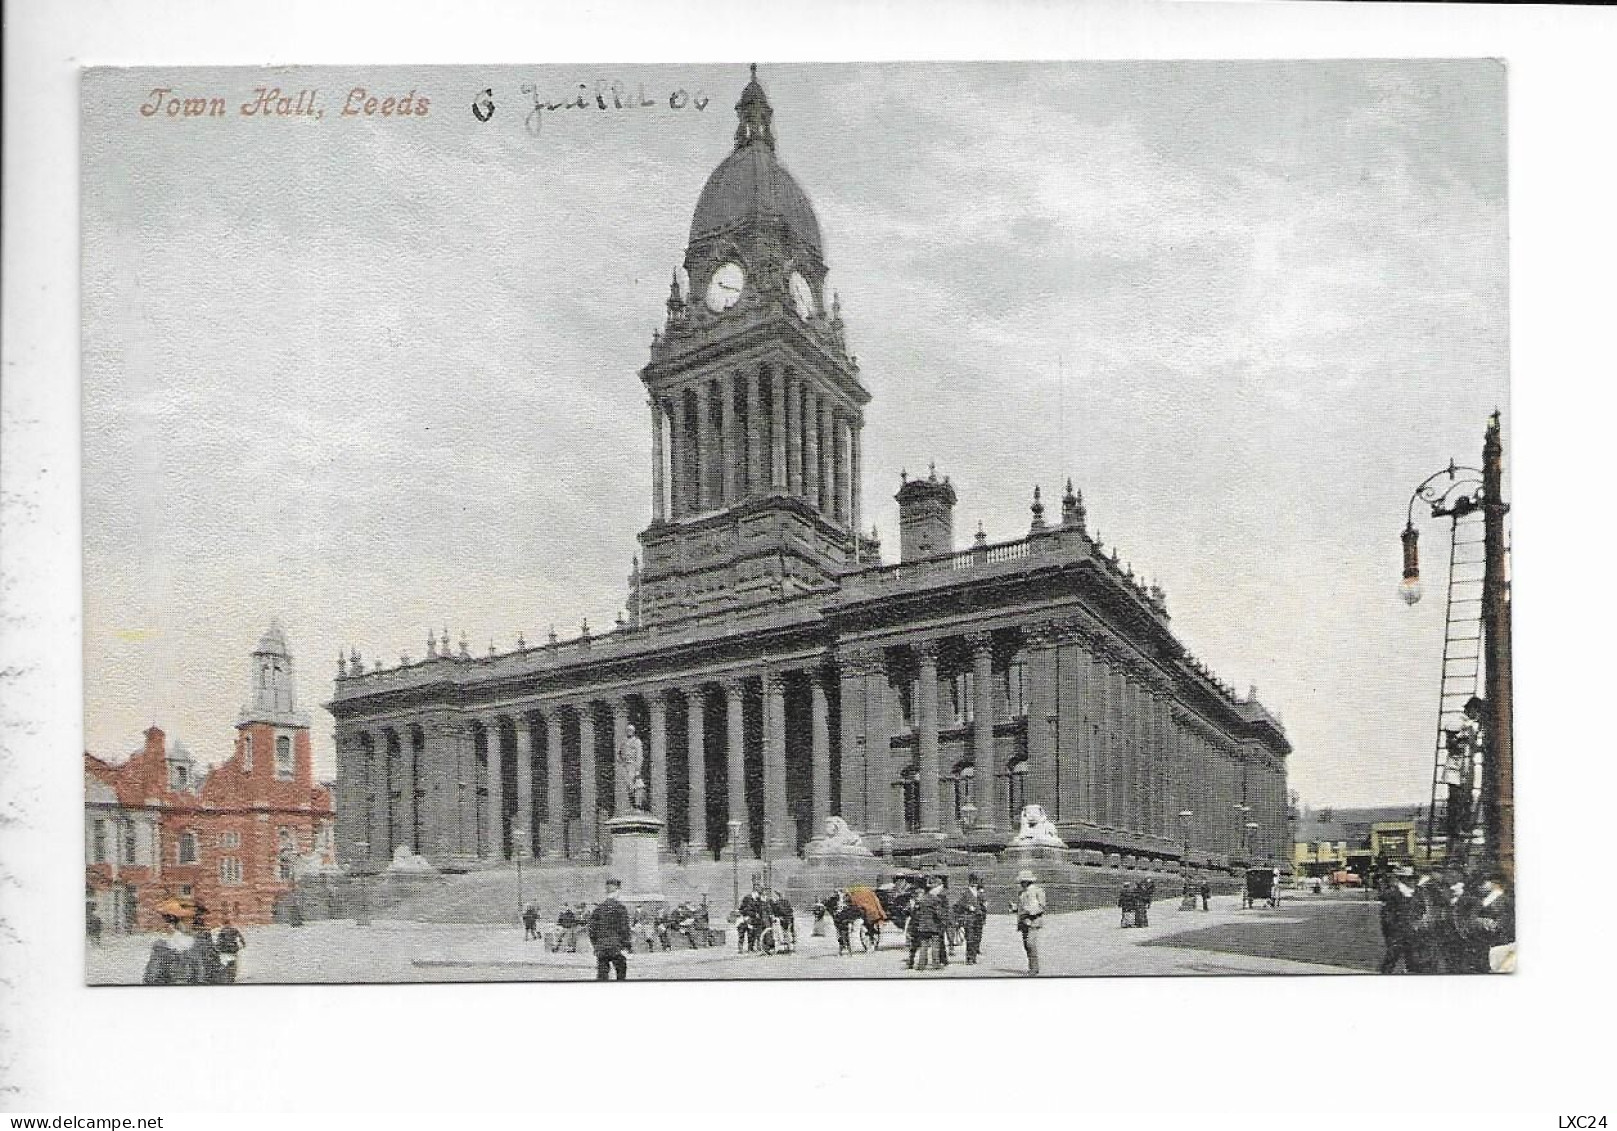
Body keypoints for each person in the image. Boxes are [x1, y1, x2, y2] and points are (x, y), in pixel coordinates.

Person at [587, 877, 631, 981]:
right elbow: (624, 930)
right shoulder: (621, 908)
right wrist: (626, 947)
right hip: (616, 947)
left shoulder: (598, 909)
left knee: (602, 975)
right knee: (621, 971)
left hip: (601, 948)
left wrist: (596, 945)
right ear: (617, 891)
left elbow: (591, 930)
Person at [1378, 874, 1417, 974]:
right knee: (1392, 956)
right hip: (1397, 931)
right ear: (1403, 879)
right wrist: (1392, 932)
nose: (1413, 881)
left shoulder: (1414, 892)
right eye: (1410, 878)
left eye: (1414, 878)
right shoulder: (1394, 892)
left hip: (1411, 930)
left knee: (1412, 957)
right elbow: (1386, 915)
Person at [1014, 869, 1046, 976]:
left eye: (1023, 881)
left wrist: (1032, 911)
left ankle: (1034, 968)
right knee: (1026, 945)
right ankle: (1031, 966)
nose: (1021, 883)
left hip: (1033, 921)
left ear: (1028, 881)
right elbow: (1020, 907)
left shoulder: (1038, 891)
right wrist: (1015, 908)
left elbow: (1042, 906)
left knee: (1030, 943)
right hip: (1023, 921)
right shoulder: (1021, 893)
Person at [142, 915, 188, 985]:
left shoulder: (180, 939)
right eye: (166, 923)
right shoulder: (159, 941)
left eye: (170, 924)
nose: (166, 926)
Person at [907, 881, 941, 971]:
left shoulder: (920, 900)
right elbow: (938, 913)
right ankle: (936, 964)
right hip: (933, 926)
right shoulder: (935, 899)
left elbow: (915, 913)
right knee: (935, 947)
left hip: (922, 927)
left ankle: (921, 965)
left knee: (923, 946)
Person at [956, 874, 989, 965]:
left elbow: (983, 902)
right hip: (969, 917)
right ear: (970, 882)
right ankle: (969, 958)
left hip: (978, 917)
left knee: (977, 938)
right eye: (973, 882)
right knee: (970, 938)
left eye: (976, 882)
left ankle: (974, 957)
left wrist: (984, 902)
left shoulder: (979, 892)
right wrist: (968, 906)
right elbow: (960, 904)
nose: (975, 884)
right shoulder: (965, 892)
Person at [189, 912, 225, 985]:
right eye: (199, 918)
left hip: (204, 951)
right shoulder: (197, 931)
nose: (201, 919)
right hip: (199, 951)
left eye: (201, 918)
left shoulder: (205, 931)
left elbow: (210, 943)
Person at [215, 916, 246, 983]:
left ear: (224, 924)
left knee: (226, 963)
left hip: (225, 950)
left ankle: (228, 975)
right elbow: (241, 938)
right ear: (229, 923)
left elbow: (219, 941)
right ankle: (232, 976)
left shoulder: (222, 931)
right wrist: (243, 944)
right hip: (233, 950)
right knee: (234, 963)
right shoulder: (234, 930)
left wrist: (217, 948)